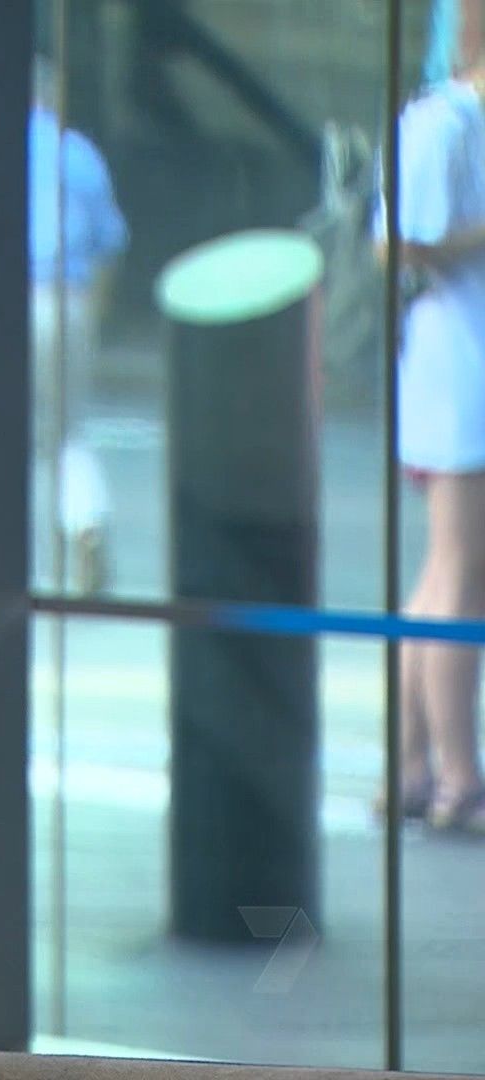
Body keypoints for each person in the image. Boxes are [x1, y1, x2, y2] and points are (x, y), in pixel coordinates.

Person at [374, 0, 485, 833]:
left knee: (450, 568)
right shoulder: (443, 124)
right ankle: (455, 773)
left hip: (468, 355)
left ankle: (415, 765)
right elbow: (397, 242)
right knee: (458, 568)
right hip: (457, 360)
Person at [29, 54, 129, 596]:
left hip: (15, 301)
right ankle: (85, 519)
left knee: (18, 433)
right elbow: (110, 241)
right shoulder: (79, 153)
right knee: (68, 429)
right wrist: (95, 308)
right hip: (69, 297)